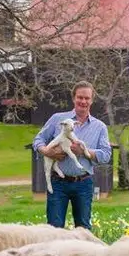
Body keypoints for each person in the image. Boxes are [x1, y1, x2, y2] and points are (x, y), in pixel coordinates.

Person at [32, 81, 111, 230]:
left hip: (83, 183)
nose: (83, 101)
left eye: (87, 98)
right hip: (58, 183)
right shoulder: (58, 119)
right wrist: (46, 151)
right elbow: (38, 140)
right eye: (80, 97)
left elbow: (106, 155)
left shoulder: (100, 127)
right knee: (54, 230)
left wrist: (84, 152)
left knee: (83, 230)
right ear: (73, 98)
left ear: (92, 100)